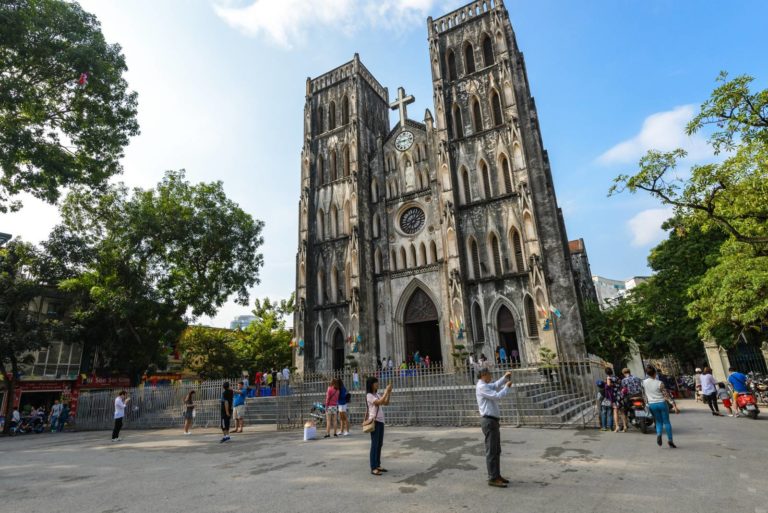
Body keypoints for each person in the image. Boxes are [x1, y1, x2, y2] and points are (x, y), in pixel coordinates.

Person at [476, 367, 514, 488]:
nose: (491, 376)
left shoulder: (485, 385)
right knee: (492, 450)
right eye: (489, 375)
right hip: (489, 421)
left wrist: (505, 377)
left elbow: (495, 385)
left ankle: (496, 475)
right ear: (483, 375)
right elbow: (497, 396)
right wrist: (507, 387)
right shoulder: (481, 387)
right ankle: (492, 478)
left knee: (496, 450)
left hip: (492, 421)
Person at [643, 366, 676, 448]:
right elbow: (666, 395)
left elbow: (644, 395)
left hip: (652, 404)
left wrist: (646, 403)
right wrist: (673, 405)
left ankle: (659, 434)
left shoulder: (643, 383)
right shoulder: (659, 383)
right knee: (667, 422)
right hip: (662, 403)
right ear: (655, 373)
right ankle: (670, 440)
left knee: (658, 422)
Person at [366, 376, 393, 476]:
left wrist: (388, 393)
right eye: (375, 383)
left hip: (381, 421)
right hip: (375, 421)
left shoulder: (376, 394)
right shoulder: (369, 395)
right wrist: (386, 391)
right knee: (374, 445)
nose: (377, 384)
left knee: (379, 444)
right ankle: (373, 467)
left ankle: (378, 464)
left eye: (377, 382)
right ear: (371, 384)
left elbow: (386, 402)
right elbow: (380, 402)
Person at [605, 368, 627, 432]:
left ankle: (617, 426)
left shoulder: (608, 378)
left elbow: (608, 385)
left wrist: (609, 384)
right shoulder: (616, 377)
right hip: (619, 395)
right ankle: (625, 426)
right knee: (622, 411)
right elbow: (620, 384)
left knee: (615, 411)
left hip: (614, 396)